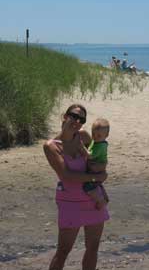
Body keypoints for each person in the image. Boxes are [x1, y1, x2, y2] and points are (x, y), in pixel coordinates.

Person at [43, 104, 109, 270]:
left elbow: (96, 159)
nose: (77, 121)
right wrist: (96, 177)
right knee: (64, 250)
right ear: (64, 116)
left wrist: (100, 175)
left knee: (93, 248)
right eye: (74, 116)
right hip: (70, 201)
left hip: (93, 200)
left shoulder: (85, 137)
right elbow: (66, 176)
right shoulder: (51, 146)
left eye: (81, 119)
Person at [79, 118, 110, 210]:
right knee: (97, 185)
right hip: (97, 169)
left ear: (106, 135)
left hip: (97, 170)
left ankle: (100, 200)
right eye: (93, 134)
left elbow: (89, 155)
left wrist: (81, 147)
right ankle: (105, 197)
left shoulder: (100, 146)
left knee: (88, 187)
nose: (95, 137)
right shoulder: (97, 142)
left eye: (99, 135)